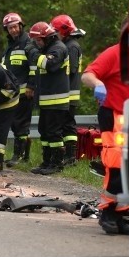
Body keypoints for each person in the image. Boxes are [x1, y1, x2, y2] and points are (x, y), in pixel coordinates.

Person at [81, 42, 129, 234]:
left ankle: (122, 213)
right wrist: (98, 83)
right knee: (116, 163)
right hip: (114, 115)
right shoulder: (114, 53)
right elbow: (87, 75)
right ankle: (108, 212)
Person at [27, 22, 70, 175]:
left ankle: (57, 164)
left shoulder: (58, 48)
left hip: (56, 101)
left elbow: (49, 64)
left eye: (38, 40)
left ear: (47, 37)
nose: (37, 43)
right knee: (44, 132)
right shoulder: (47, 48)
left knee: (53, 133)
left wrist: (33, 52)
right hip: (47, 100)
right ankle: (47, 162)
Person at [0, 12, 36, 166]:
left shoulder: (28, 43)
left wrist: (31, 86)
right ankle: (24, 156)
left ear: (21, 26)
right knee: (16, 124)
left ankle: (19, 156)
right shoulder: (11, 45)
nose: (13, 30)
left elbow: (34, 67)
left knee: (20, 124)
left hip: (24, 92)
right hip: (13, 92)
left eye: (15, 27)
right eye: (10, 28)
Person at [50, 14, 83, 166]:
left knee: (68, 124)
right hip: (67, 92)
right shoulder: (69, 44)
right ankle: (67, 156)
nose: (54, 35)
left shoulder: (72, 46)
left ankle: (71, 156)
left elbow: (71, 70)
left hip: (70, 93)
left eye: (56, 31)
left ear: (64, 31)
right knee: (65, 124)